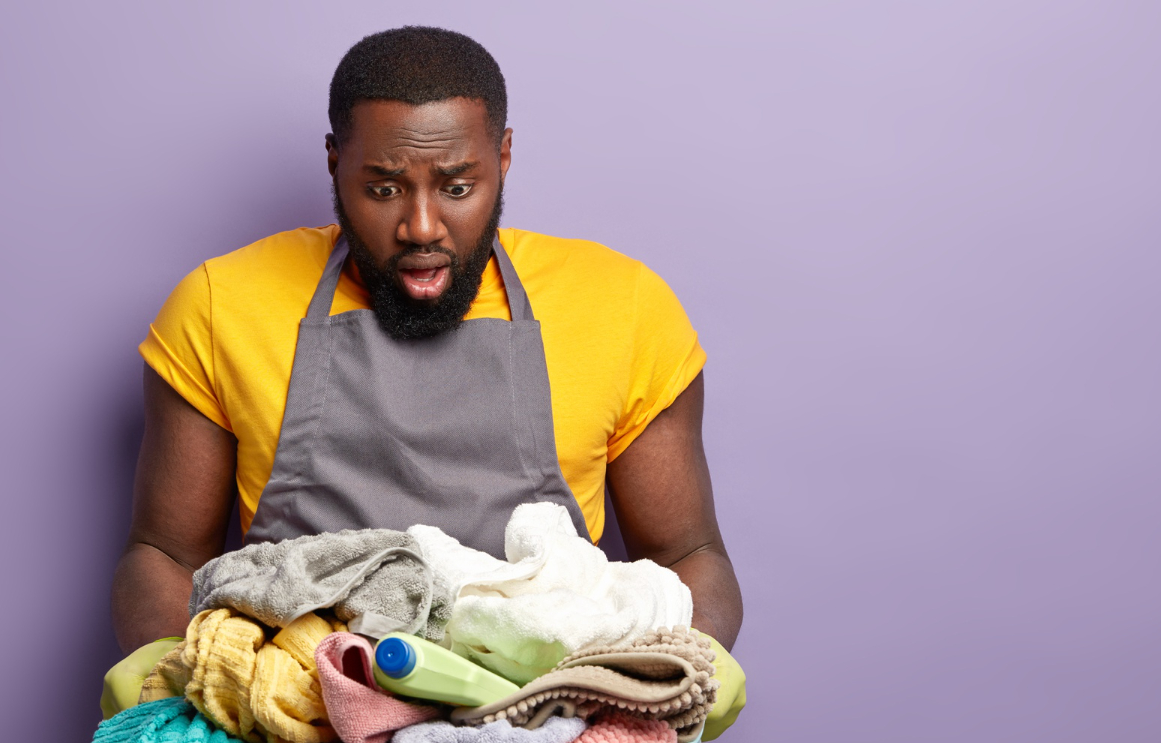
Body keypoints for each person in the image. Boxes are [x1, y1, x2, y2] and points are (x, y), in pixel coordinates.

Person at [112, 26, 741, 659]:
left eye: (458, 188)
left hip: (549, 703)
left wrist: (674, 681)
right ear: (335, 162)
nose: (421, 227)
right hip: (297, 704)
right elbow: (165, 553)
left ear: (504, 157)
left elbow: (686, 554)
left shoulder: (622, 307)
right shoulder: (222, 306)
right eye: (383, 188)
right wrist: (184, 692)